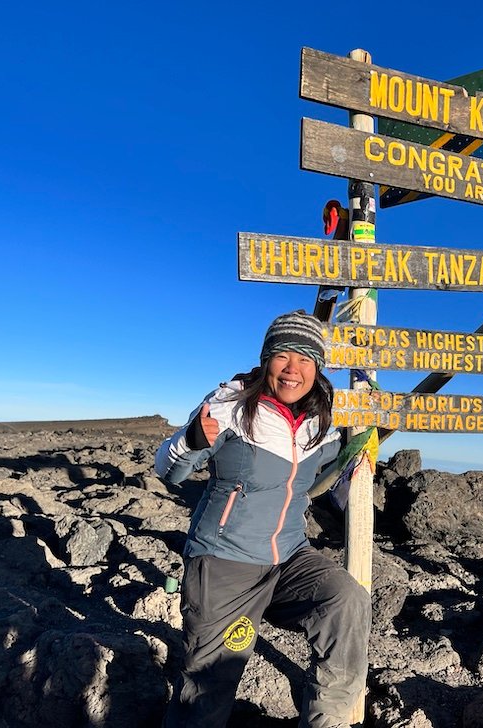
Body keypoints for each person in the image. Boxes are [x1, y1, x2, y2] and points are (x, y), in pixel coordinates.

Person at [155, 310, 370, 728]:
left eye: (306, 358)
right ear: (265, 358)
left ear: (318, 367)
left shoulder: (321, 420)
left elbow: (329, 478)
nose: (294, 369)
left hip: (290, 555)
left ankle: (327, 721)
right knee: (209, 684)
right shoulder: (230, 404)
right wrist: (191, 440)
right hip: (225, 562)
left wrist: (359, 448)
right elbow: (168, 470)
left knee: (347, 600)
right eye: (283, 355)